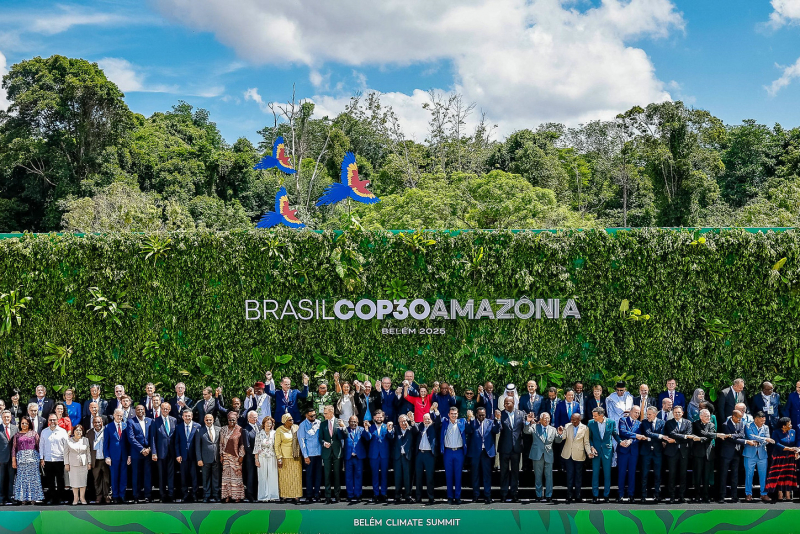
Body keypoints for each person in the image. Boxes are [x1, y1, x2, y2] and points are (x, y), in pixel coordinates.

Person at [522, 411, 562, 502]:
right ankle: (538, 495)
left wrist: (560, 434)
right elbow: (526, 431)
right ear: (540, 419)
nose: (547, 420)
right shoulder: (535, 427)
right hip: (537, 454)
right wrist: (528, 422)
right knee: (538, 476)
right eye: (545, 418)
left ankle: (549, 495)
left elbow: (558, 441)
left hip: (548, 454)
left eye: (548, 418)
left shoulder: (553, 429)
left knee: (549, 476)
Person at [466, 407, 499, 504]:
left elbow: (496, 430)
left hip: (486, 452)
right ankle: (476, 495)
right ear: (476, 415)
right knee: (475, 474)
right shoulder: (473, 422)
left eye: (483, 415)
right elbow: (468, 430)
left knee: (487, 475)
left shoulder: (490, 422)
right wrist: (469, 420)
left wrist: (497, 419)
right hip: (475, 451)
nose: (481, 417)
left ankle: (487, 495)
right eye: (479, 415)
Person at [587, 407, 618, 503]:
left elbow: (615, 434)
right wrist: (591, 447)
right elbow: (589, 437)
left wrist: (621, 442)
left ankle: (606, 495)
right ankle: (595, 495)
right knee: (595, 473)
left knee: (607, 474)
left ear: (601, 415)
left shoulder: (611, 422)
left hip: (607, 451)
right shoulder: (591, 423)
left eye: (595, 416)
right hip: (596, 451)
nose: (593, 417)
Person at [497, 396, 525, 502]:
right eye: (505, 403)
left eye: (508, 403)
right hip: (504, 448)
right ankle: (503, 494)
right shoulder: (501, 414)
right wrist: (497, 420)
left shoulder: (521, 414)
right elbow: (497, 429)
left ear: (513, 403)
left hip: (516, 448)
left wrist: (528, 422)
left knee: (515, 472)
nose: (506, 405)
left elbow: (524, 428)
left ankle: (514, 493)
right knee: (503, 472)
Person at [664, 405, 694, 503]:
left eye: (679, 412)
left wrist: (677, 441)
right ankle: (672, 496)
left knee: (683, 475)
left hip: (684, 452)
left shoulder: (688, 423)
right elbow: (671, 434)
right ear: (673, 413)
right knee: (672, 474)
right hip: (672, 452)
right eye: (675, 412)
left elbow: (689, 435)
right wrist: (684, 437)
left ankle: (681, 496)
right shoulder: (669, 423)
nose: (677, 414)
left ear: (682, 413)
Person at [718, 409, 748, 503]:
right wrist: (735, 436)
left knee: (735, 475)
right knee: (724, 475)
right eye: (738, 418)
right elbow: (729, 439)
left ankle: (734, 495)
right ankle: (721, 496)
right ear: (733, 417)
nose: (740, 420)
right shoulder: (725, 425)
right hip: (727, 453)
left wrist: (733, 435)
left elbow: (742, 435)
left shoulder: (741, 423)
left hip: (737, 452)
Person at [11, 416, 44, 504]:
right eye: (22, 423)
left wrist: (41, 459)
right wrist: (13, 460)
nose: (24, 425)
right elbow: (14, 448)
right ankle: (23, 499)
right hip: (21, 460)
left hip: (33, 459)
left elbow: (39, 447)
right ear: (20, 424)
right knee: (22, 479)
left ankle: (33, 498)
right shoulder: (17, 435)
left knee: (33, 479)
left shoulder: (34, 434)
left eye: (26, 423)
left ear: (29, 424)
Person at [337, 415, 369, 504]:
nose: (353, 423)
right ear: (349, 422)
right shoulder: (345, 429)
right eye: (351, 421)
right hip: (348, 457)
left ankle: (358, 495)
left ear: (357, 422)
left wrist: (366, 428)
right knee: (348, 477)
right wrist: (341, 427)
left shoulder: (361, 429)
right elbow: (339, 436)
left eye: (355, 422)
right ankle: (350, 495)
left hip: (358, 457)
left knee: (358, 476)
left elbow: (368, 437)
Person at [560, 412, 591, 504]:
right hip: (568, 454)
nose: (572, 421)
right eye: (571, 419)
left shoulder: (585, 428)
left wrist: (589, 452)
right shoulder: (567, 425)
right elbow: (563, 437)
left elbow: (586, 442)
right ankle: (569, 495)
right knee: (569, 475)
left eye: (574, 420)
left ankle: (578, 495)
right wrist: (560, 433)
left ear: (579, 420)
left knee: (578, 476)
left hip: (579, 454)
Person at [440, 406, 468, 505]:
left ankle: (458, 496)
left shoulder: (462, 422)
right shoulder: (444, 422)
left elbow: (471, 427)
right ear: (448, 414)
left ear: (458, 414)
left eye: (455, 414)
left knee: (458, 475)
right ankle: (450, 496)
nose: (453, 415)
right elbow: (435, 418)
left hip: (459, 452)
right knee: (448, 475)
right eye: (452, 414)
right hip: (448, 451)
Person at [765, 417, 798, 501]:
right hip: (779, 457)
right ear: (783, 426)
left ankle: (788, 493)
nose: (791, 425)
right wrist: (788, 448)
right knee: (779, 475)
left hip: (790, 457)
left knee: (788, 475)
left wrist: (797, 450)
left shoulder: (793, 431)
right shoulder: (776, 432)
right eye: (789, 424)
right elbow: (776, 444)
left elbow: (797, 442)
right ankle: (780, 493)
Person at [744, 411, 774, 502]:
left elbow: (767, 440)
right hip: (750, 454)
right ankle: (748, 494)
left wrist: (762, 440)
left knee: (763, 475)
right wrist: (764, 439)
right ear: (756, 419)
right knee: (749, 474)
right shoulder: (748, 425)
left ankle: (763, 494)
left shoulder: (766, 427)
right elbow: (750, 436)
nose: (763, 423)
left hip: (762, 454)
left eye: (764, 421)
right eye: (761, 421)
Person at [638, 406, 666, 503]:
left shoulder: (662, 422)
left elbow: (662, 433)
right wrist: (659, 436)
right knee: (644, 474)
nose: (648, 416)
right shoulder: (645, 422)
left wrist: (659, 437)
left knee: (658, 474)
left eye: (649, 414)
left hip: (657, 452)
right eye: (647, 414)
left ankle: (657, 494)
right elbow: (647, 433)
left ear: (655, 414)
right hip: (646, 452)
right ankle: (643, 495)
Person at [691, 408, 720, 503]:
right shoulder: (695, 423)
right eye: (706, 416)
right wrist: (710, 436)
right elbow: (700, 432)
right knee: (697, 475)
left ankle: (706, 495)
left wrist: (700, 439)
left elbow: (710, 437)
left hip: (709, 453)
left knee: (707, 476)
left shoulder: (711, 425)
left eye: (709, 416)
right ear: (701, 416)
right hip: (698, 453)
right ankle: (697, 495)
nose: (708, 417)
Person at [151, 401, 177, 503]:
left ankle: (171, 494)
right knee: (161, 475)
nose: (165, 410)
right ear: (160, 409)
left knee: (171, 474)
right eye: (163, 408)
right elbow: (153, 438)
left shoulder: (174, 420)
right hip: (160, 452)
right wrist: (154, 452)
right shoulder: (155, 421)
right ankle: (162, 494)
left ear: (169, 410)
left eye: (167, 409)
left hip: (172, 452)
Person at [40, 413, 68, 505]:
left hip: (60, 459)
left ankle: (60, 498)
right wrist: (41, 458)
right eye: (51, 420)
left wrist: (67, 459)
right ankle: (52, 498)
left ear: (57, 421)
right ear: (48, 421)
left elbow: (66, 446)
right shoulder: (44, 432)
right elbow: (41, 446)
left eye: (54, 420)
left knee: (60, 480)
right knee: (50, 480)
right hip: (48, 459)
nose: (52, 422)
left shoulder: (63, 431)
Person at [127, 404, 153, 503]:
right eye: (138, 410)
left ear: (145, 410)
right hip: (136, 453)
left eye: (142, 409)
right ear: (135, 411)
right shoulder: (131, 421)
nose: (140, 411)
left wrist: (149, 449)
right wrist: (142, 449)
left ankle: (148, 495)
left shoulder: (150, 421)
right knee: (136, 475)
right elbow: (131, 438)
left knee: (148, 475)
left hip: (148, 453)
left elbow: (152, 436)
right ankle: (136, 496)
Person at [411, 411, 439, 505]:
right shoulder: (420, 426)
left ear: (431, 419)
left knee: (429, 477)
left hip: (429, 455)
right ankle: (418, 497)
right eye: (425, 419)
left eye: (428, 419)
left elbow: (438, 421)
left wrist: (436, 412)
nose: (426, 420)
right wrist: (412, 421)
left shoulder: (434, 426)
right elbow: (414, 430)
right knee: (418, 477)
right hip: (419, 454)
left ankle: (431, 497)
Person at [103, 409, 129, 504]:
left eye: (121, 416)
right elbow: (105, 444)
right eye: (118, 415)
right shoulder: (108, 427)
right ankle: (115, 496)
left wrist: (129, 455)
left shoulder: (126, 426)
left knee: (123, 476)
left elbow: (128, 442)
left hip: (124, 456)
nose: (119, 417)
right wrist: (107, 456)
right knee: (114, 477)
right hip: (113, 456)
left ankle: (122, 495)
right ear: (114, 415)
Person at [275, 413, 303, 503]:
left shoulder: (296, 428)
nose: (292, 421)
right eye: (289, 420)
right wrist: (279, 458)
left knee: (296, 477)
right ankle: (284, 496)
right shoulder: (279, 430)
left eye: (292, 419)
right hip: (284, 457)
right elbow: (277, 445)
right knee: (285, 477)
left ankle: (296, 496)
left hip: (296, 456)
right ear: (284, 421)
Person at [218, 411, 245, 503]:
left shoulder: (240, 429)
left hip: (236, 457)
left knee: (236, 477)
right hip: (226, 457)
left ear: (236, 420)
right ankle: (227, 495)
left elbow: (242, 444)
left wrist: (241, 456)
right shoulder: (223, 429)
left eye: (233, 420)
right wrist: (221, 455)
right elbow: (221, 443)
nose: (231, 421)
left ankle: (237, 496)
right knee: (226, 478)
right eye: (230, 420)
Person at [367, 409, 393, 503]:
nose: (379, 418)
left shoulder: (387, 427)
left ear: (383, 417)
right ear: (374, 418)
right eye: (377, 417)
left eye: (381, 417)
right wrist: (366, 430)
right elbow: (367, 438)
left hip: (384, 454)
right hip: (373, 455)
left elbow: (391, 438)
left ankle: (384, 494)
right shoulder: (371, 427)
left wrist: (390, 431)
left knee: (384, 475)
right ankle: (376, 494)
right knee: (374, 475)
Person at [616, 405, 640, 502]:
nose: (637, 414)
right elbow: (623, 432)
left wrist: (631, 441)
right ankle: (620, 494)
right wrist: (635, 436)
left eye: (639, 413)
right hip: (623, 451)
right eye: (635, 412)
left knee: (632, 474)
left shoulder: (639, 423)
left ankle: (631, 495)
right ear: (630, 412)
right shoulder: (623, 420)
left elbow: (639, 438)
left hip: (633, 452)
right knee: (621, 473)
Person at [318, 405, 342, 504]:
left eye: (325, 413)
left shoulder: (339, 422)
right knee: (327, 475)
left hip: (337, 452)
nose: (324, 415)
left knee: (337, 475)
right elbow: (320, 438)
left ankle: (337, 495)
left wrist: (343, 428)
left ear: (331, 412)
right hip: (327, 453)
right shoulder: (323, 424)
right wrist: (324, 443)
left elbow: (344, 435)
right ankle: (327, 496)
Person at [175, 409, 200, 503]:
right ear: (182, 417)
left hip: (194, 457)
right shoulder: (179, 427)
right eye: (185, 416)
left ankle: (194, 494)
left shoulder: (197, 426)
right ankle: (185, 494)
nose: (187, 418)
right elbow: (176, 443)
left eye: (189, 416)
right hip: (183, 457)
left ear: (192, 416)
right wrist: (178, 455)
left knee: (194, 477)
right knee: (183, 477)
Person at [298, 407, 322, 503]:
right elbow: (302, 441)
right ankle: (309, 495)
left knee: (318, 475)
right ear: (306, 415)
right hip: (309, 454)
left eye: (314, 415)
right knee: (309, 475)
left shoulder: (319, 423)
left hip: (318, 454)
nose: (313, 417)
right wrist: (305, 456)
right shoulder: (302, 425)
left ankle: (317, 494)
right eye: (311, 416)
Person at [195, 413, 221, 503]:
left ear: (213, 420)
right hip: (205, 459)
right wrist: (199, 459)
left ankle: (216, 495)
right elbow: (197, 446)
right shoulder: (200, 431)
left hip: (216, 458)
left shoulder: (219, 429)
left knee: (216, 478)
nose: (209, 421)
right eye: (207, 420)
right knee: (205, 478)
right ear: (204, 420)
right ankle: (206, 495)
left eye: (210, 420)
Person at [253, 416, 279, 502]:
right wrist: (256, 460)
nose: (269, 425)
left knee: (273, 476)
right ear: (264, 424)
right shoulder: (259, 434)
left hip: (272, 456)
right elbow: (256, 447)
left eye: (270, 423)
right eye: (267, 423)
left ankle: (273, 495)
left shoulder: (275, 433)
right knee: (262, 477)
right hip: (262, 457)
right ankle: (263, 496)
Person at [390, 414, 415, 504]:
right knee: (398, 477)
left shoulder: (411, 429)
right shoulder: (395, 429)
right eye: (401, 421)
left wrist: (412, 422)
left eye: (405, 421)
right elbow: (390, 436)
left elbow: (417, 431)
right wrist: (389, 429)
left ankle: (408, 496)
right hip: (397, 457)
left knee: (408, 477)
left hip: (407, 457)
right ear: (398, 422)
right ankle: (397, 496)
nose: (403, 423)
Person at [86, 416, 110, 504]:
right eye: (95, 422)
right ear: (93, 424)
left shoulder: (107, 430)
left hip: (105, 459)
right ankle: (99, 496)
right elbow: (87, 448)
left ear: (102, 422)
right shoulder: (89, 433)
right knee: (97, 479)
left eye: (99, 422)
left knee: (106, 479)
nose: (97, 424)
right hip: (95, 460)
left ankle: (106, 495)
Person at [64, 424, 90, 505]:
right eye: (77, 430)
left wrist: (89, 462)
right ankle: (75, 498)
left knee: (83, 482)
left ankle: (82, 498)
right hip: (73, 464)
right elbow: (66, 453)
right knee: (74, 482)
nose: (78, 432)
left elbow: (88, 452)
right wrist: (66, 464)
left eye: (80, 430)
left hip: (83, 463)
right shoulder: (68, 440)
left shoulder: (85, 440)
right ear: (73, 432)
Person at [241, 410, 259, 503]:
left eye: (256, 417)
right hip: (250, 457)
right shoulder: (245, 429)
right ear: (248, 419)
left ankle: (257, 494)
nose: (255, 419)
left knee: (257, 476)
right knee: (251, 476)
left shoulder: (259, 427)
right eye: (253, 417)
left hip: (259, 457)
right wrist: (255, 454)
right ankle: (250, 495)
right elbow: (247, 446)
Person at [0, 410, 17, 505]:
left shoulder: (15, 428)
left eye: (8, 417)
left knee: (11, 479)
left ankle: (10, 497)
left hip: (12, 458)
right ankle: (1, 498)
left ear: (11, 418)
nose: (6, 418)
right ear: (2, 418)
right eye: (5, 417)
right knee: (1, 479)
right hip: (1, 458)